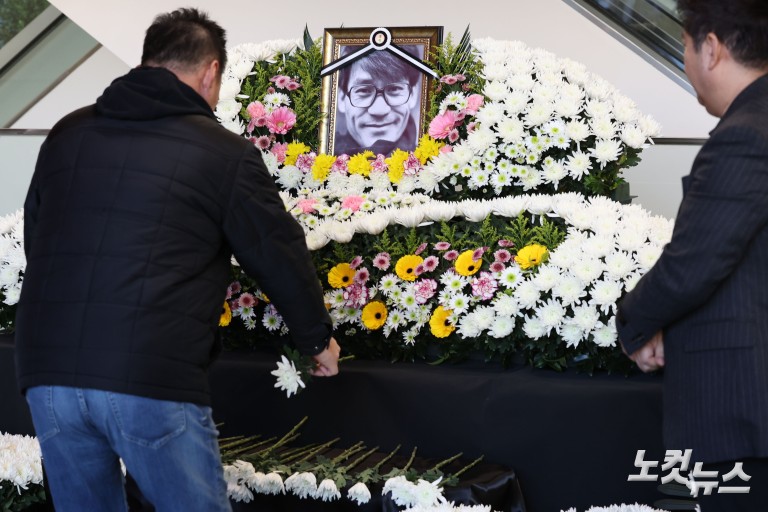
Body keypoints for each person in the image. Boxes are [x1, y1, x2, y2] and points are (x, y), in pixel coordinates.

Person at [14, 8, 340, 512]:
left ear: (149, 61)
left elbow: (38, 239)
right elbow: (275, 251)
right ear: (210, 71)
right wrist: (316, 338)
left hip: (48, 369)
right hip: (149, 371)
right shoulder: (223, 153)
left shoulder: (67, 133)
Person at [615, 0, 768, 509]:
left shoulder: (746, 134)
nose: (685, 60)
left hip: (741, 406)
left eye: (684, 45)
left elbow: (692, 266)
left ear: (711, 48)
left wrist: (634, 322)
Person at [334, 45, 423, 156]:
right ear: (342, 97)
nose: (379, 110)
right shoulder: (319, 158)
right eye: (364, 90)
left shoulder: (434, 159)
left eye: (394, 89)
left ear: (413, 94)